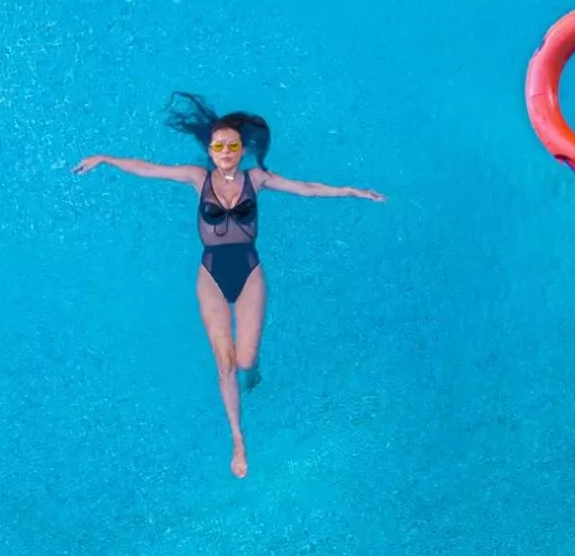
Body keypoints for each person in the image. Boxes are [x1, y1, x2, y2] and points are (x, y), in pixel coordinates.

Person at [75, 93, 385, 477]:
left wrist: (353, 192)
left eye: (231, 146)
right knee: (224, 365)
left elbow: (306, 188)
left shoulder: (258, 179)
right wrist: (106, 159)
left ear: (241, 150)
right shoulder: (196, 178)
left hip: (249, 270)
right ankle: (238, 439)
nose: (224, 151)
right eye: (218, 146)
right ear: (210, 148)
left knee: (246, 361)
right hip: (211, 274)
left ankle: (254, 373)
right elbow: (149, 169)